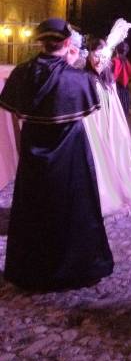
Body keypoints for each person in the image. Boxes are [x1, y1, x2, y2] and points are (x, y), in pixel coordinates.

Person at [0, 18, 113, 291]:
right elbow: (93, 99)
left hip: (33, 156)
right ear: (66, 43)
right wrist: (74, 65)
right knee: (74, 208)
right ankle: (78, 269)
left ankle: (31, 271)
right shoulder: (76, 78)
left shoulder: (21, 75)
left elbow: (14, 108)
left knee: (33, 209)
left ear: (41, 42)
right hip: (70, 154)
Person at [83, 38, 131, 218]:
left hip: (112, 122)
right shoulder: (86, 79)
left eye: (102, 56)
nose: (99, 60)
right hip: (97, 131)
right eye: (95, 55)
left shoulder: (108, 79)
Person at [112, 41, 131, 117]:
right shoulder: (125, 60)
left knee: (118, 111)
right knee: (124, 110)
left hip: (117, 87)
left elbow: (113, 75)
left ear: (116, 50)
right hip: (125, 88)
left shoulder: (115, 60)